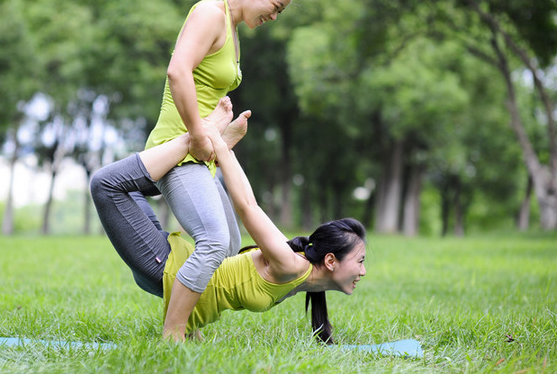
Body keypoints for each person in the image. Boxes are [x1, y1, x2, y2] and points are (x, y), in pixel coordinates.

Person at [90, 100, 366, 343]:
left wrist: (192, 324)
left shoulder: (298, 269)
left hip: (173, 267)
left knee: (130, 188)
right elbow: (248, 206)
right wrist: (223, 148)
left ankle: (208, 147)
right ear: (330, 261)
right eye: (360, 261)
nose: (363, 272)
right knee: (107, 185)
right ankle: (198, 139)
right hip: (165, 268)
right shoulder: (291, 264)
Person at [146, 0, 299, 341]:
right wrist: (199, 133)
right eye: (275, 6)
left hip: (203, 153)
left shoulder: (230, 25)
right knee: (215, 241)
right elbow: (178, 72)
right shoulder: (210, 12)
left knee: (229, 245)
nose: (274, 17)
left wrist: (222, 134)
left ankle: (189, 321)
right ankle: (173, 334)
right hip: (178, 150)